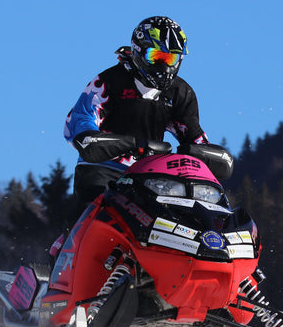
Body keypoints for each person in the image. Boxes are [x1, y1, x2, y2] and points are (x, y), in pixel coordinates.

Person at [62, 16, 215, 210]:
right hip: (104, 167)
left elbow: (194, 137)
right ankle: (75, 237)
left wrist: (208, 156)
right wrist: (95, 139)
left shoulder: (180, 93)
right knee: (92, 209)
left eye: (170, 59)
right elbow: (78, 122)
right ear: (138, 51)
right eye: (156, 57)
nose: (164, 67)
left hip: (151, 174)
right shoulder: (108, 82)